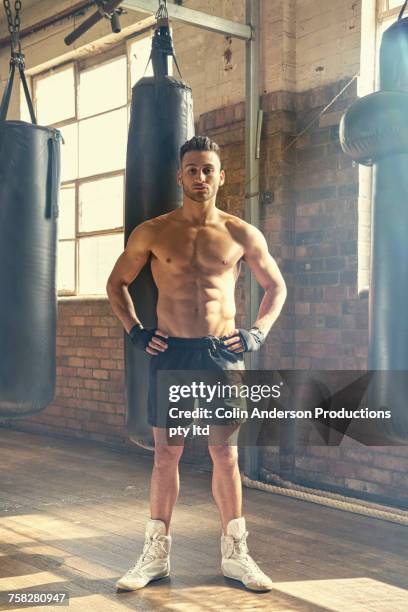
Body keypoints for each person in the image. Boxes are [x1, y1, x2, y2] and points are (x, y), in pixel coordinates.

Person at [106, 135, 287, 593]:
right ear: (180, 176)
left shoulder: (241, 233)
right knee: (167, 454)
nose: (200, 177)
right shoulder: (152, 231)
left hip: (221, 354)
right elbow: (116, 283)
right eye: (192, 169)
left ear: (220, 176)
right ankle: (155, 555)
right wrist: (135, 329)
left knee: (225, 453)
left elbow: (276, 288)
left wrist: (256, 334)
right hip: (171, 354)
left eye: (208, 169)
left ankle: (236, 554)